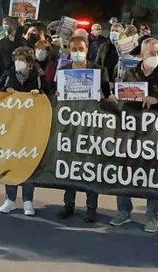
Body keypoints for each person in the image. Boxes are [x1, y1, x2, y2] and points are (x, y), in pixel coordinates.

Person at [110, 38, 158, 233]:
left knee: (151, 175)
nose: (155, 56)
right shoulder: (130, 73)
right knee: (124, 171)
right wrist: (117, 98)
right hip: (129, 130)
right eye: (151, 53)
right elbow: (122, 99)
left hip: (154, 133)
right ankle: (123, 210)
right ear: (142, 54)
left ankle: (152, 215)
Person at [56, 36, 106, 223]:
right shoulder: (63, 71)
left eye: (81, 48)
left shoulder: (99, 71)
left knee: (90, 167)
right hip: (70, 125)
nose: (78, 51)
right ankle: (68, 205)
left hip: (92, 125)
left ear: (87, 50)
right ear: (69, 50)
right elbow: (57, 97)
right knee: (70, 166)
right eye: (74, 48)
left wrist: (102, 95)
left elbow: (109, 97)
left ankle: (91, 208)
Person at [0, 47, 43, 217]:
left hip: (30, 127)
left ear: (30, 63)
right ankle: (10, 199)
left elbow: (48, 96)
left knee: (27, 162)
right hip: (11, 126)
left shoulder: (36, 77)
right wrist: (5, 92)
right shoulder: (9, 74)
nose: (18, 62)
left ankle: (28, 201)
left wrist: (38, 94)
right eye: (16, 59)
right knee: (10, 162)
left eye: (22, 59)